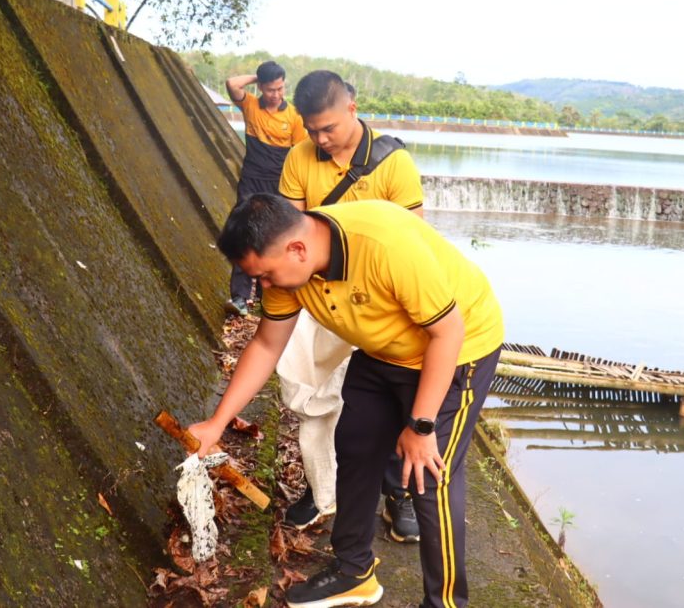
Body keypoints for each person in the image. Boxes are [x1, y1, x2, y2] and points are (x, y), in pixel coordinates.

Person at [189, 194, 504, 608]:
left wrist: (421, 426)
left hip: (457, 348)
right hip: (382, 350)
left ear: (297, 249)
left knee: (429, 477)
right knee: (355, 446)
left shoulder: (383, 245)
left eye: (265, 275)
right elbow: (266, 345)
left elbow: (448, 333)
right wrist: (217, 423)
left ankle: (445, 603)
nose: (264, 286)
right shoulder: (290, 271)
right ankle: (354, 571)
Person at [275, 70, 424, 545]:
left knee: (391, 401)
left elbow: (412, 244)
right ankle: (322, 490)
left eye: (329, 129)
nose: (320, 139)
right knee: (310, 392)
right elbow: (288, 234)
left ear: (352, 109)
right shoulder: (299, 157)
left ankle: (396, 493)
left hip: (382, 303)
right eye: (311, 129)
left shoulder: (393, 163)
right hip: (323, 297)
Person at [224, 61, 308, 316]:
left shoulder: (294, 116)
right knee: (243, 233)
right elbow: (232, 84)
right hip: (251, 179)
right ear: (261, 87)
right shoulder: (250, 104)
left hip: (278, 183)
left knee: (272, 237)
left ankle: (265, 299)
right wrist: (257, 77)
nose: (276, 94)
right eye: (270, 89)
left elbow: (301, 153)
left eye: (280, 88)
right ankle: (239, 297)